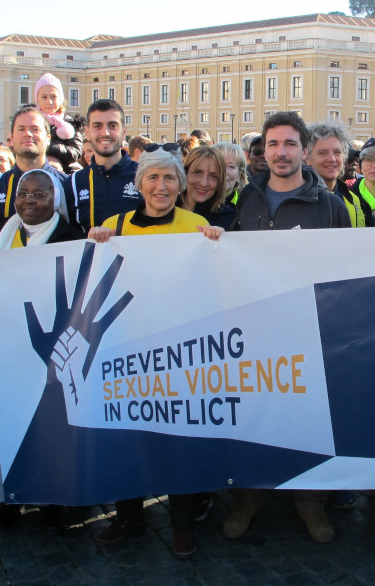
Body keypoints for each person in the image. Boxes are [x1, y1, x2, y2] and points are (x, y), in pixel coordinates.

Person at [86, 148, 221, 558]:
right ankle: (129, 515)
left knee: (180, 438)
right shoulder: (116, 226)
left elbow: (213, 278)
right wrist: (95, 244)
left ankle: (181, 525)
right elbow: (95, 280)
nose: (161, 187)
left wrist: (216, 243)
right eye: (152, 178)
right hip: (127, 349)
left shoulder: (195, 224)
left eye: (169, 179)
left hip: (180, 350)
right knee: (128, 436)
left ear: (180, 185)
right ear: (139, 184)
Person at [225, 112, 349, 545]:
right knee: (256, 418)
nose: (281, 152)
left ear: (303, 149)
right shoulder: (247, 199)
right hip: (257, 331)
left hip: (309, 331)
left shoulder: (329, 205)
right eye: (273, 144)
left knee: (308, 420)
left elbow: (345, 270)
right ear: (264, 150)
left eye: (289, 144)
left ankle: (311, 503)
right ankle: (248, 499)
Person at [0, 169, 82, 531]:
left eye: (39, 194)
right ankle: (4, 499)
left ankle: (48, 500)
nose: (29, 201)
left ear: (54, 199)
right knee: (3, 424)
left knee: (45, 426)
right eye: (22, 194)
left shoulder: (69, 237)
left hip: (45, 351)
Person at [0, 106, 65, 233]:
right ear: (11, 138)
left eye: (35, 129)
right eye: (21, 129)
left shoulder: (66, 184)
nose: (28, 134)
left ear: (48, 138)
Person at [65, 99, 140, 235]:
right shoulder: (73, 183)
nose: (105, 132)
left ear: (124, 131)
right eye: (97, 126)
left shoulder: (145, 176)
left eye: (112, 126)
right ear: (87, 132)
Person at [306, 122, 366, 227]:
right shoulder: (297, 199)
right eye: (323, 153)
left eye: (337, 152)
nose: (332, 159)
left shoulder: (353, 199)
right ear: (307, 158)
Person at [34, 73, 84, 172]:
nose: (49, 101)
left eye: (53, 97)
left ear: (60, 99)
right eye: (44, 97)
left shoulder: (70, 122)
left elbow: (76, 152)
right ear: (37, 99)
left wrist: (48, 147)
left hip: (64, 171)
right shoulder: (31, 120)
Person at [179, 144, 234, 227]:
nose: (204, 183)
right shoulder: (166, 210)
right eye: (198, 173)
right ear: (185, 173)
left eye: (213, 176)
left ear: (220, 182)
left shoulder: (228, 218)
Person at [214, 141, 247, 207]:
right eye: (218, 164)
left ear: (239, 175)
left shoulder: (246, 205)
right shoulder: (195, 203)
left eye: (231, 166)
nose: (224, 171)